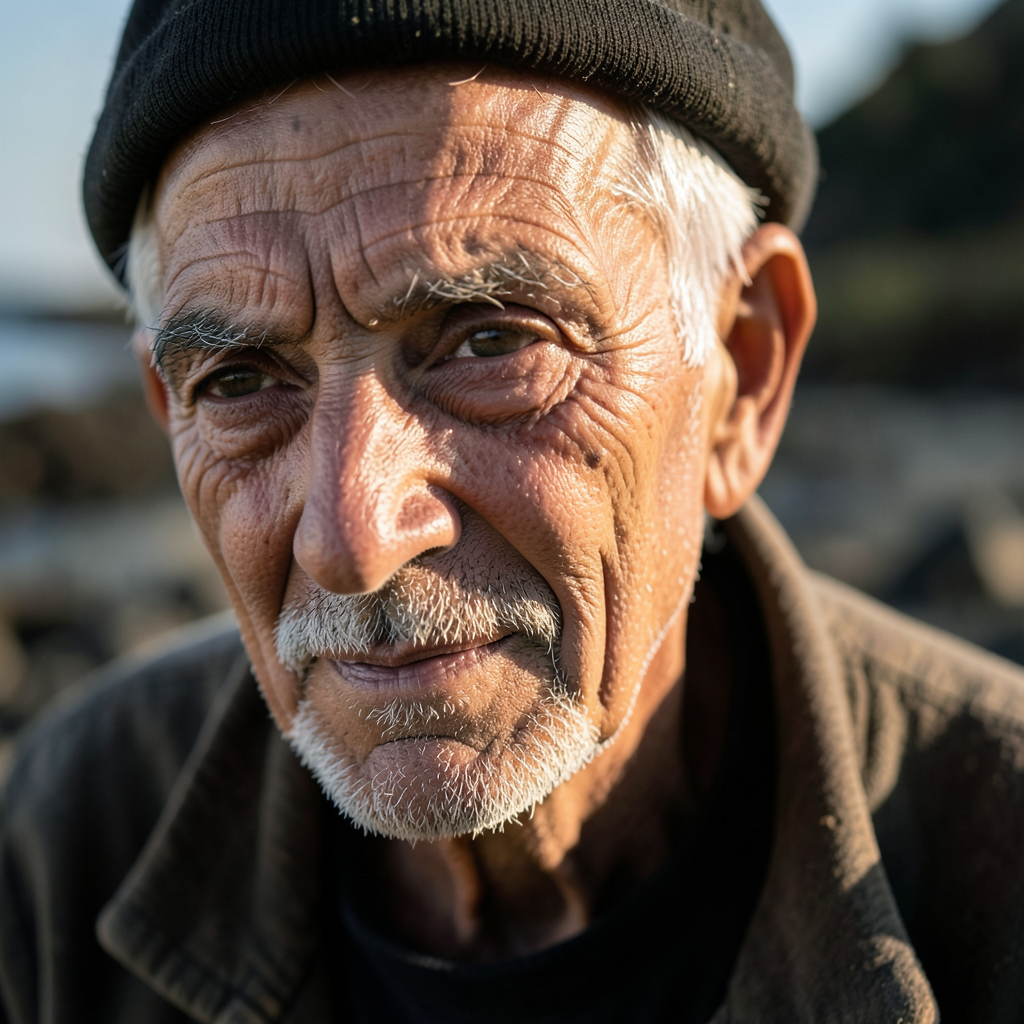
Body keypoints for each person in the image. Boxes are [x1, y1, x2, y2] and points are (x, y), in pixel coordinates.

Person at [3, 1, 1024, 1021]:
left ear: (740, 373)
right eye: (238, 383)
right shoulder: (67, 833)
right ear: (164, 409)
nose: (352, 540)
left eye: (491, 343)